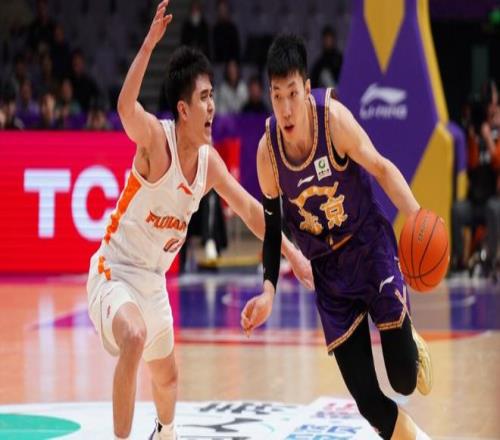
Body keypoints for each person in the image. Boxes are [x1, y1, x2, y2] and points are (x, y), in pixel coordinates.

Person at [86, 5, 313, 440]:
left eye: (212, 96)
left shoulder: (208, 164)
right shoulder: (156, 141)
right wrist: (149, 44)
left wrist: (294, 255)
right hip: (113, 270)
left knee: (169, 378)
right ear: (183, 109)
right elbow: (125, 107)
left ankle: (165, 433)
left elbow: (252, 211)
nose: (212, 106)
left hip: (151, 280)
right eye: (204, 97)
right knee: (133, 336)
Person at [240, 34, 433, 440]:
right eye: (277, 96)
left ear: (307, 88)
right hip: (328, 272)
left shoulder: (334, 121)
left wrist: (417, 217)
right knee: (367, 400)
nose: (286, 108)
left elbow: (381, 168)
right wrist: (268, 291)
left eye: (293, 93)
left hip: (368, 247)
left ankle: (409, 337)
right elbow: (273, 228)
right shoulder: (267, 153)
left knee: (403, 380)